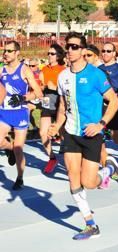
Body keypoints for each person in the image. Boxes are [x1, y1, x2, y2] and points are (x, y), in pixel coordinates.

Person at [48, 32, 118, 240]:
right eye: (68, 47)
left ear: (83, 50)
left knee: (89, 182)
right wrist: (56, 126)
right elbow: (63, 106)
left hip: (91, 134)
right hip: (71, 134)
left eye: (74, 47)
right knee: (73, 178)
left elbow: (114, 101)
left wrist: (101, 124)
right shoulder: (63, 76)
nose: (70, 50)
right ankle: (90, 224)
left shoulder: (96, 75)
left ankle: (109, 168)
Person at [0, 41, 43, 189]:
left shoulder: (24, 70)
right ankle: (9, 148)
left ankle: (19, 177)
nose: (6, 53)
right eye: (5, 50)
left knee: (19, 149)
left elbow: (39, 93)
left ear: (17, 53)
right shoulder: (2, 70)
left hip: (20, 113)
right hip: (4, 112)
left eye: (9, 51)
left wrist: (23, 98)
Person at [39, 43, 66, 174]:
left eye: (52, 54)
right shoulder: (44, 69)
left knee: (64, 135)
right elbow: (41, 85)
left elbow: (67, 90)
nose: (49, 56)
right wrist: (42, 87)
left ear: (59, 56)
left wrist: (54, 87)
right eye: (48, 53)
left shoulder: (64, 70)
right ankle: (52, 158)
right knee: (42, 133)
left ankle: (71, 159)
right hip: (47, 103)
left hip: (60, 104)